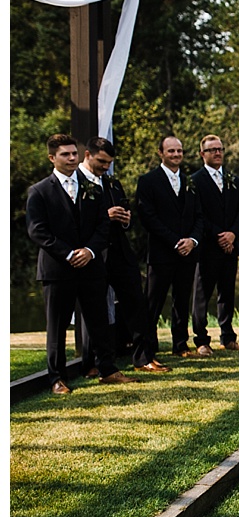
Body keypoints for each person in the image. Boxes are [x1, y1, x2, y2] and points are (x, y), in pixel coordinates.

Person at [25, 134, 135, 394]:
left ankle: (107, 370)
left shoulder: (94, 189)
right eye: (65, 154)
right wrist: (68, 253)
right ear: (52, 158)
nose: (72, 158)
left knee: (99, 321)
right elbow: (37, 230)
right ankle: (57, 378)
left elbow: (102, 225)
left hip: (91, 266)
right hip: (57, 269)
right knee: (57, 326)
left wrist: (89, 250)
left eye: (74, 153)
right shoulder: (39, 191)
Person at [78, 137, 168, 375]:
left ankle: (143, 357)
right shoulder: (75, 183)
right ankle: (93, 363)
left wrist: (126, 220)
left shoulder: (112, 183)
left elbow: (127, 212)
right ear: (87, 155)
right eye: (101, 161)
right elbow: (74, 222)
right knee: (95, 309)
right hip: (95, 254)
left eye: (109, 162)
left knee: (137, 304)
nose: (105, 166)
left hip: (120, 252)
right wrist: (105, 215)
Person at [135, 136, 204, 360]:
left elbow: (199, 217)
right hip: (161, 253)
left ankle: (180, 345)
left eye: (179, 151)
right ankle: (147, 349)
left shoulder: (190, 181)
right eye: (171, 151)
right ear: (161, 153)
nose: (176, 155)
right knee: (152, 303)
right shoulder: (148, 181)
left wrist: (192, 240)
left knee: (182, 300)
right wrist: (175, 241)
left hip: (187, 253)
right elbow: (148, 217)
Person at [191, 135, 239, 355]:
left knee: (227, 292)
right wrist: (219, 235)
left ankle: (228, 337)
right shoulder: (195, 180)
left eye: (220, 149)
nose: (217, 153)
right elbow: (198, 214)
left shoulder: (234, 180)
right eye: (212, 150)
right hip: (207, 247)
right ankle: (201, 341)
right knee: (202, 294)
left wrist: (233, 234)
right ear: (202, 154)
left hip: (231, 246)